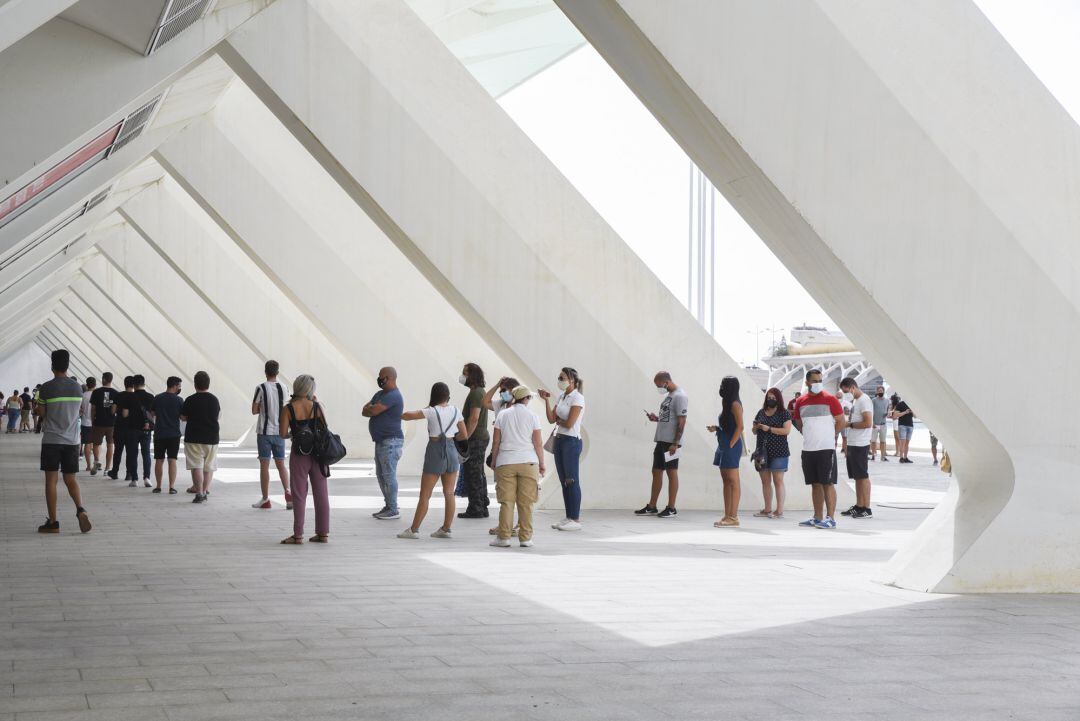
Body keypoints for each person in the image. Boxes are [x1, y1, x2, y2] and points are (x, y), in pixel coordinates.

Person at [397, 382, 468, 539]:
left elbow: (407, 415)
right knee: (449, 493)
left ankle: (414, 530)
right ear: (447, 395)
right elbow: (464, 434)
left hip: (435, 450)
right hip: (451, 450)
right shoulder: (456, 410)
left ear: (434, 395)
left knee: (425, 495)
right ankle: (446, 529)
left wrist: (398, 412)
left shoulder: (430, 411)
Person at [35, 350, 91, 534]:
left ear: (52, 366)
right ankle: (80, 509)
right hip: (72, 441)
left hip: (52, 439)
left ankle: (53, 522)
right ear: (67, 365)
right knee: (70, 479)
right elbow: (79, 412)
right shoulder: (77, 388)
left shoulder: (46, 388)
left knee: (51, 481)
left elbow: (42, 414)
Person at [489, 385, 545, 548]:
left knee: (506, 502)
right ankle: (525, 538)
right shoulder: (533, 416)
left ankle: (504, 538)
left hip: (505, 461)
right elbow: (538, 443)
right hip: (528, 461)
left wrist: (494, 460)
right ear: (526, 399)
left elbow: (496, 441)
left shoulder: (503, 415)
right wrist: (541, 463)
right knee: (526, 503)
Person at [279, 374, 330, 544]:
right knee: (321, 493)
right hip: (318, 454)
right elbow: (325, 428)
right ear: (310, 389)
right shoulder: (317, 406)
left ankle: (298, 534)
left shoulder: (288, 408)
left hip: (299, 454)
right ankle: (323, 533)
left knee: (299, 494)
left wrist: (295, 434)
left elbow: (282, 433)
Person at [792, 369, 844, 529]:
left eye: (820, 380)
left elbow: (841, 422)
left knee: (827, 483)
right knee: (815, 483)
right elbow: (799, 424)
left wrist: (830, 436)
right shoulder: (800, 401)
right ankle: (817, 517)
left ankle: (831, 518)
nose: (818, 383)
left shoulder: (831, 400)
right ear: (807, 382)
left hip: (826, 449)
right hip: (808, 450)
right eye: (814, 380)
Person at [539, 367, 585, 531]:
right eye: (559, 377)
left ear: (572, 380)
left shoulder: (577, 398)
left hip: (571, 442)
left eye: (562, 377)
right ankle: (568, 516)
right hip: (559, 440)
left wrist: (560, 421)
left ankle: (575, 518)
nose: (560, 380)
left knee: (572, 480)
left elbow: (570, 423)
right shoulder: (561, 396)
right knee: (564, 481)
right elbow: (552, 419)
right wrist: (546, 400)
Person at [636, 371, 687, 518]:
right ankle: (652, 506)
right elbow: (669, 418)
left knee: (672, 472)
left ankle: (671, 507)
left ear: (666, 382)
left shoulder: (680, 396)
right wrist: (656, 418)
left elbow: (682, 421)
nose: (659, 388)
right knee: (656, 471)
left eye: (659, 385)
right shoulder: (669, 396)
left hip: (671, 443)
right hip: (661, 440)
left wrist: (675, 443)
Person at [363, 367, 404, 520]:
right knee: (381, 475)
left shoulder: (393, 396)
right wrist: (371, 409)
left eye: (381, 377)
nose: (379, 379)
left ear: (389, 378)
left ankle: (393, 508)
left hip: (391, 442)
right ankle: (388, 505)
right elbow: (364, 410)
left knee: (388, 475)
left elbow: (372, 411)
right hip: (381, 442)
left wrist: (372, 408)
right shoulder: (379, 394)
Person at [251, 360, 292, 510]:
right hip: (280, 432)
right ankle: (288, 495)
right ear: (277, 372)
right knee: (281, 464)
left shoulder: (261, 388)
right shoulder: (285, 387)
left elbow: (254, 410)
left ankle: (265, 499)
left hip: (264, 432)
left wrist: (264, 407)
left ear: (265, 372)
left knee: (264, 465)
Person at [484, 376, 521, 536]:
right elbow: (484, 401)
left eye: (505, 391)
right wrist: (497, 383)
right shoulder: (500, 405)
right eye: (501, 391)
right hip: (501, 454)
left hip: (517, 454)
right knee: (504, 493)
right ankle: (505, 524)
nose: (502, 394)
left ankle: (519, 525)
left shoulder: (521, 407)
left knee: (519, 493)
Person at [749, 387, 792, 519]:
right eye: (768, 397)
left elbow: (786, 431)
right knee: (765, 481)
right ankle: (767, 509)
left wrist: (768, 429)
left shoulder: (784, 413)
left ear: (778, 399)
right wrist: (756, 427)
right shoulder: (761, 412)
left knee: (778, 480)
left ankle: (779, 511)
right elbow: (754, 431)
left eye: (773, 398)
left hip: (779, 451)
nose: (770, 400)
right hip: (762, 451)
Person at [709, 375, 744, 527]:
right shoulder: (726, 403)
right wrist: (716, 428)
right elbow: (728, 424)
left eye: (724, 385)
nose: (721, 387)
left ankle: (734, 516)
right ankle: (727, 514)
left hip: (730, 444)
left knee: (733, 480)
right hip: (723, 442)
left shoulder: (735, 404)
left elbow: (740, 426)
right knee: (726, 481)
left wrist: (731, 444)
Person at [457, 363, 490, 518]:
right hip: (478, 437)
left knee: (473, 474)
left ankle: (476, 508)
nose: (463, 376)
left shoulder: (476, 393)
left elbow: (474, 418)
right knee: (478, 473)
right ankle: (482, 505)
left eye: (465, 373)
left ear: (472, 376)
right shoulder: (477, 392)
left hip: (475, 438)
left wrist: (465, 438)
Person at [181, 371, 220, 503]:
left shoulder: (190, 400)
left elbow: (183, 417)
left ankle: (199, 493)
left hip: (194, 437)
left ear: (195, 384)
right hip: (212, 438)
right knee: (208, 467)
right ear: (208, 384)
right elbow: (218, 416)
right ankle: (205, 490)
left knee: (196, 466)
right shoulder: (215, 399)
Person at [839, 377, 874, 519]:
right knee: (857, 477)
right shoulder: (857, 401)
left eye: (846, 391)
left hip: (860, 443)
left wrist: (850, 425)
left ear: (853, 387)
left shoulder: (864, 400)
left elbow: (867, 422)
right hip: (853, 442)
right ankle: (859, 505)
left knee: (863, 476)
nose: (846, 394)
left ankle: (867, 508)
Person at [151, 376, 184, 494]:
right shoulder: (179, 400)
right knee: (172, 460)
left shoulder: (158, 398)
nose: (180, 388)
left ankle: (158, 486)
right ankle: (171, 487)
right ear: (175, 385)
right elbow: (182, 417)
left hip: (159, 433)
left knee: (159, 460)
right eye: (179, 386)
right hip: (174, 434)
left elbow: (152, 413)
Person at [122, 375, 154, 487]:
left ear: (134, 385)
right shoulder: (151, 397)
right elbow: (153, 414)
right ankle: (147, 478)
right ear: (144, 384)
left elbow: (125, 414)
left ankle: (134, 479)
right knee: (146, 454)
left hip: (132, 429)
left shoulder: (129, 397)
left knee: (133, 454)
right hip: (146, 429)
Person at [107, 376, 135, 481]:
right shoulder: (135, 396)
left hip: (119, 427)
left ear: (124, 384)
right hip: (132, 428)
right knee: (130, 451)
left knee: (118, 451)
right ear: (133, 385)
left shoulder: (118, 396)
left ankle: (114, 472)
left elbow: (113, 411)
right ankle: (129, 474)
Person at [89, 372, 118, 473]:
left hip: (99, 422)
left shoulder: (96, 392)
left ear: (104, 379)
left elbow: (93, 409)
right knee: (110, 445)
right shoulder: (116, 393)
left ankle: (97, 461)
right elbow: (116, 410)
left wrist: (92, 421)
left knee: (96, 444)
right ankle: (107, 468)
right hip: (111, 423)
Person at [79, 377, 97, 473]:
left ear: (87, 385)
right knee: (96, 444)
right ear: (95, 385)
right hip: (95, 423)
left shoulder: (83, 395)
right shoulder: (97, 394)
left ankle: (88, 466)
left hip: (85, 422)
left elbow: (80, 410)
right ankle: (96, 463)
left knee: (87, 443)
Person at [893, 393, 915, 463]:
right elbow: (895, 415)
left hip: (910, 425)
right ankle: (901, 457)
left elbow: (916, 416)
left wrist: (912, 411)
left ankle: (905, 457)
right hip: (902, 425)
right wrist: (905, 412)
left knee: (907, 443)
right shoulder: (900, 404)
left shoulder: (912, 404)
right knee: (902, 442)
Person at [870, 385, 889, 461]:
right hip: (875, 424)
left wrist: (887, 413)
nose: (881, 392)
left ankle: (883, 456)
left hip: (883, 424)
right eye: (879, 391)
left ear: (884, 391)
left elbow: (887, 410)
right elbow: (871, 412)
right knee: (873, 441)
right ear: (877, 392)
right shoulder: (873, 400)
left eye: (882, 391)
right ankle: (873, 455)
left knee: (883, 441)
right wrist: (872, 423)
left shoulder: (887, 400)